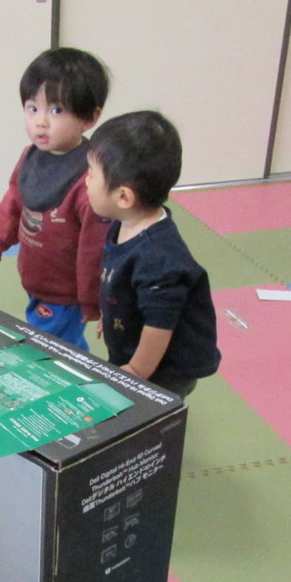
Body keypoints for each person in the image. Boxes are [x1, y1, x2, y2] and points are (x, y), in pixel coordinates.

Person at [84, 111, 220, 397]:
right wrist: (111, 316)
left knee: (153, 406)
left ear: (123, 197)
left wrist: (137, 372)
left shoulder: (157, 259)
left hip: (165, 367)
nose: (85, 180)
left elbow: (159, 326)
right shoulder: (123, 223)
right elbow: (120, 280)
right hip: (134, 342)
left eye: (91, 174)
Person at [0, 47, 111, 350]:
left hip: (66, 290)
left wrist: (92, 299)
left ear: (90, 117)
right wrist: (0, 237)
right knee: (61, 341)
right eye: (32, 108)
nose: (40, 122)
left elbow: (95, 246)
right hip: (37, 276)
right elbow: (15, 197)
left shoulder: (88, 179)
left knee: (53, 345)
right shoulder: (31, 156)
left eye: (56, 111)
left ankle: (72, 375)